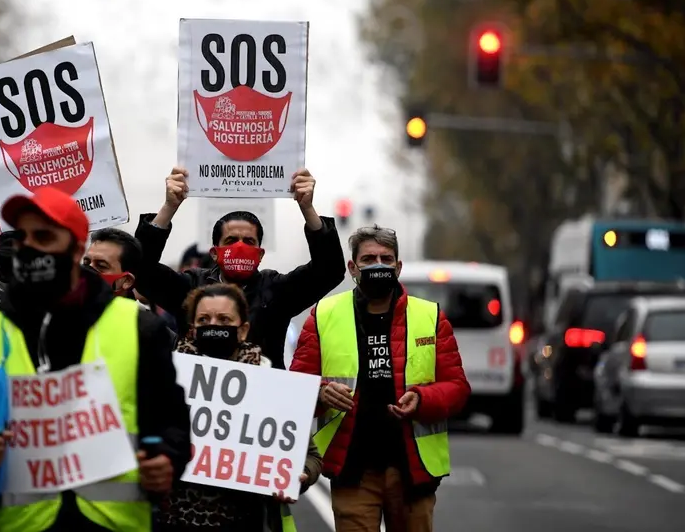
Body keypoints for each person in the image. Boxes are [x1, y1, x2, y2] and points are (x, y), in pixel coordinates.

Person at [0, 186, 192, 531]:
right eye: (23, 237)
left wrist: (166, 461)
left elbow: (170, 422)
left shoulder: (139, 329)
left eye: (43, 236)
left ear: (73, 248)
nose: (29, 247)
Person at [290, 225, 470, 532]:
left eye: (386, 259)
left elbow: (457, 389)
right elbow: (294, 389)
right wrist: (319, 393)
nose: (379, 266)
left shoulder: (431, 316)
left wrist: (423, 399)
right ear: (353, 268)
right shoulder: (323, 315)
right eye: (369, 258)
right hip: (352, 467)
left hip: (413, 470)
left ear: (398, 267)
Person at [134, 166, 345, 368]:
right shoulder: (191, 286)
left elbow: (329, 271)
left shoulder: (276, 290)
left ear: (260, 254)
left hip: (262, 395)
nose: (240, 247)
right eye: (231, 240)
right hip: (197, 397)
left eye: (249, 242)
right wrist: (169, 207)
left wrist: (307, 209)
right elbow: (141, 270)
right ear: (214, 253)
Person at [157, 283, 322, 532]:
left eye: (224, 319)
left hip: (246, 521)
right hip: (175, 521)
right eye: (204, 319)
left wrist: (301, 475)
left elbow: (311, 457)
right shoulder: (168, 379)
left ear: (243, 329)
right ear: (191, 330)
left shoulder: (270, 383)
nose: (214, 326)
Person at [84, 227, 178, 337]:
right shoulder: (63, 316)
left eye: (101, 266)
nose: (88, 270)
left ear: (127, 280)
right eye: (86, 263)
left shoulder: (153, 333)